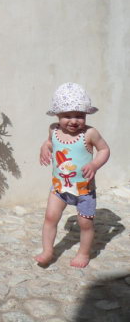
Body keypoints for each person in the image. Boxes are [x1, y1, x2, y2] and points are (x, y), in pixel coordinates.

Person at [35, 82, 110, 268]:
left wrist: (94, 164)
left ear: (86, 115)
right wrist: (45, 147)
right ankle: (47, 251)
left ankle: (83, 253)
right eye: (67, 116)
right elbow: (51, 142)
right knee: (50, 217)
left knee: (85, 224)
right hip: (59, 186)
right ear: (57, 115)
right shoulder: (53, 130)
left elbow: (104, 150)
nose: (74, 121)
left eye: (79, 116)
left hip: (84, 189)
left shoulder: (90, 133)